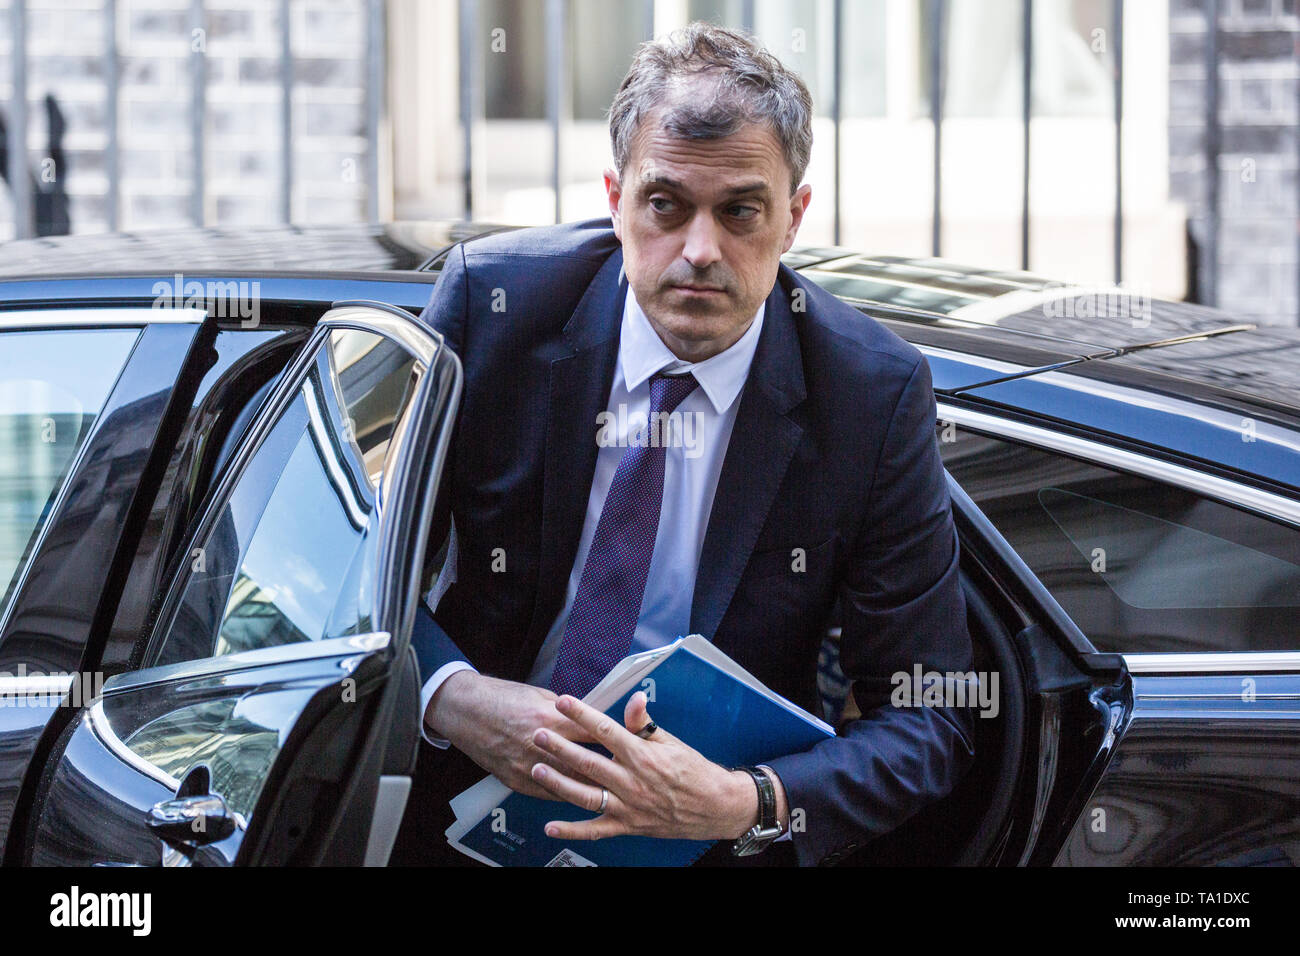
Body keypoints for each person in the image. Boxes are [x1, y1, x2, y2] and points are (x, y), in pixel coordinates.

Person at [392, 21, 974, 867]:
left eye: (741, 210)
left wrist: (747, 803)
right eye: (666, 204)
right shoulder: (493, 310)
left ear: (794, 216)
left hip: (700, 846)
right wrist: (454, 697)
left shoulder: (870, 394)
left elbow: (929, 717)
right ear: (615, 198)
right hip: (453, 811)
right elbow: (349, 567)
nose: (701, 251)